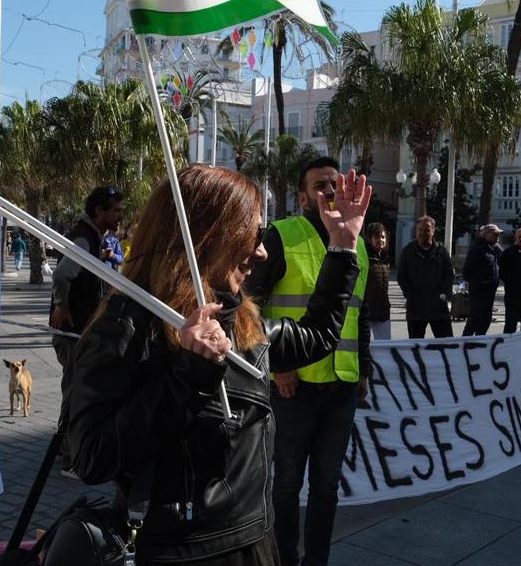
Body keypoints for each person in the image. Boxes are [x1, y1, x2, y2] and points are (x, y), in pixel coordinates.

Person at [66, 165, 371, 564]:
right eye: (255, 235)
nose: (261, 252)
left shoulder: (242, 319)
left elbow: (317, 337)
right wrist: (186, 377)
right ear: (209, 236)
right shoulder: (127, 325)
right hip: (183, 552)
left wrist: (343, 246)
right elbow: (90, 456)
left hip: (255, 542)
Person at [245, 157, 371, 566]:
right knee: (286, 484)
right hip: (292, 386)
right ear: (301, 197)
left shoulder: (357, 242)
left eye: (335, 183)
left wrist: (363, 369)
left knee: (326, 485)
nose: (331, 191)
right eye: (321, 185)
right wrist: (277, 365)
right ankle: (284, 560)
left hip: (342, 385)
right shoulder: (281, 235)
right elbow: (251, 306)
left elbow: (359, 312)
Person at [50, 186, 125, 475]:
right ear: (99, 212)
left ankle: (66, 450)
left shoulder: (96, 236)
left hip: (82, 329)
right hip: (71, 331)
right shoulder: (84, 237)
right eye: (115, 210)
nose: (120, 216)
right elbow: (61, 275)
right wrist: (61, 306)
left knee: (78, 388)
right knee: (74, 390)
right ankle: (68, 455)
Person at [396, 216, 455, 339]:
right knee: (415, 346)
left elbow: (449, 274)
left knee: (447, 343)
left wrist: (442, 294)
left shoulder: (441, 251)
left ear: (433, 231)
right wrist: (411, 295)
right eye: (420, 229)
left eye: (427, 230)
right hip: (416, 309)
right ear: (416, 231)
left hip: (438, 308)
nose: (423, 233)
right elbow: (402, 277)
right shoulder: (408, 251)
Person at [461, 224, 504, 336]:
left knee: (486, 318)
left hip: (490, 289)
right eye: (495, 234)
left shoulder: (496, 248)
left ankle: (479, 340)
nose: (497, 236)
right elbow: (467, 269)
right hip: (479, 289)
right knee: (475, 318)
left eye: (498, 234)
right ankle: (465, 342)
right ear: (486, 234)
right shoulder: (477, 248)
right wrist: (476, 282)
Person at [363, 222, 393, 341]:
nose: (380, 240)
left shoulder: (385, 260)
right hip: (366, 311)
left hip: (383, 311)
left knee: (385, 345)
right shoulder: (364, 258)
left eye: (382, 237)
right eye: (376, 237)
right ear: (370, 239)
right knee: (365, 346)